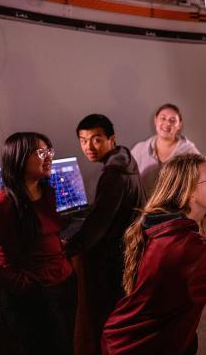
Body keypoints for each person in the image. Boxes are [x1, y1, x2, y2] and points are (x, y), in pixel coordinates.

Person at [102, 153, 206, 355]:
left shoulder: (160, 225)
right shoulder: (189, 249)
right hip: (140, 347)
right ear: (190, 191)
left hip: (125, 337)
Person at [0, 132, 76, 355]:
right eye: (40, 152)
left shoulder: (47, 193)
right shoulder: (0, 205)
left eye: (49, 151)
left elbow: (42, 232)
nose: (49, 157)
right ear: (18, 158)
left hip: (63, 284)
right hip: (35, 298)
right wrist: (24, 285)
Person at [64, 114, 146, 355]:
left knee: (106, 322)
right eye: (83, 140)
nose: (89, 147)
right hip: (129, 251)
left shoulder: (113, 174)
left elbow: (97, 227)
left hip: (113, 260)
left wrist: (67, 247)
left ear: (111, 139)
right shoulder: (126, 160)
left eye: (96, 139)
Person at [131, 104, 200, 195]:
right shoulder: (139, 149)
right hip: (142, 207)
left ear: (179, 125)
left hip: (176, 207)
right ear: (155, 120)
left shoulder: (190, 152)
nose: (167, 123)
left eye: (173, 120)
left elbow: (199, 183)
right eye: (163, 118)